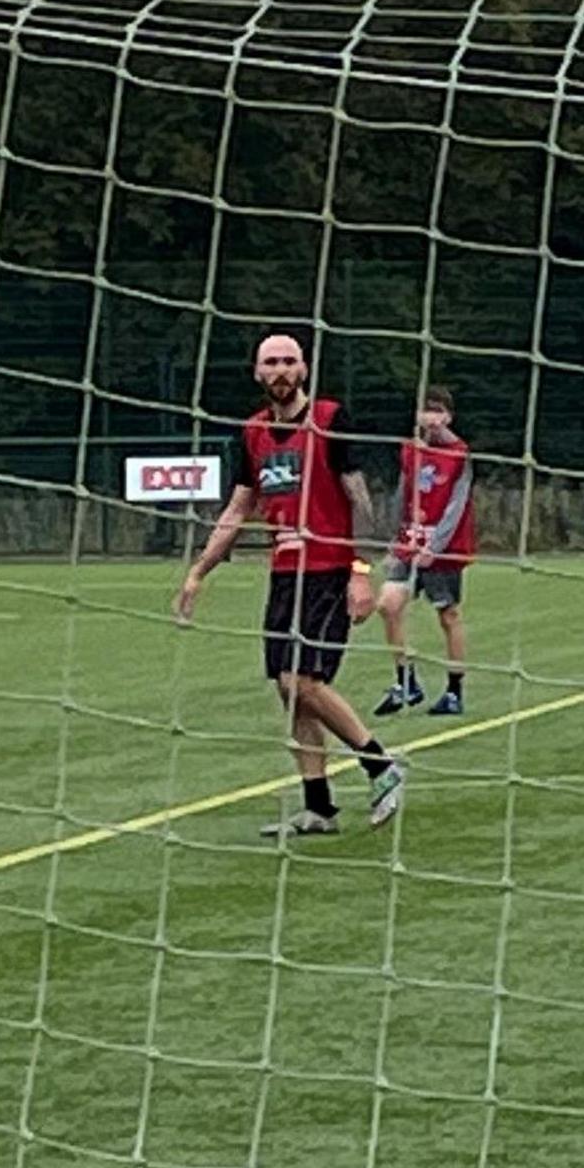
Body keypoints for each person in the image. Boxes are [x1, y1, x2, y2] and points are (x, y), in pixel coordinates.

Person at [173, 333, 407, 836]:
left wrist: (361, 570)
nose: (280, 370)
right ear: (257, 373)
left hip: (328, 571)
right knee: (290, 694)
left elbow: (359, 499)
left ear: (304, 369)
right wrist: (198, 572)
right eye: (270, 362)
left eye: (289, 361)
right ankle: (318, 807)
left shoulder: (329, 420)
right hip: (284, 574)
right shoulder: (253, 433)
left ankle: (380, 766)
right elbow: (237, 510)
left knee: (303, 681)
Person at [373, 387, 476, 717]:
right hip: (410, 544)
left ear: (447, 416)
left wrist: (435, 547)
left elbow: (456, 506)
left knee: (448, 616)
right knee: (388, 605)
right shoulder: (410, 452)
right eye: (424, 411)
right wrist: (396, 540)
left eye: (436, 411)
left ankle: (454, 690)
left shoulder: (460, 454)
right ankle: (406, 681)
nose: (429, 418)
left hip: (442, 550)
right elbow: (402, 497)